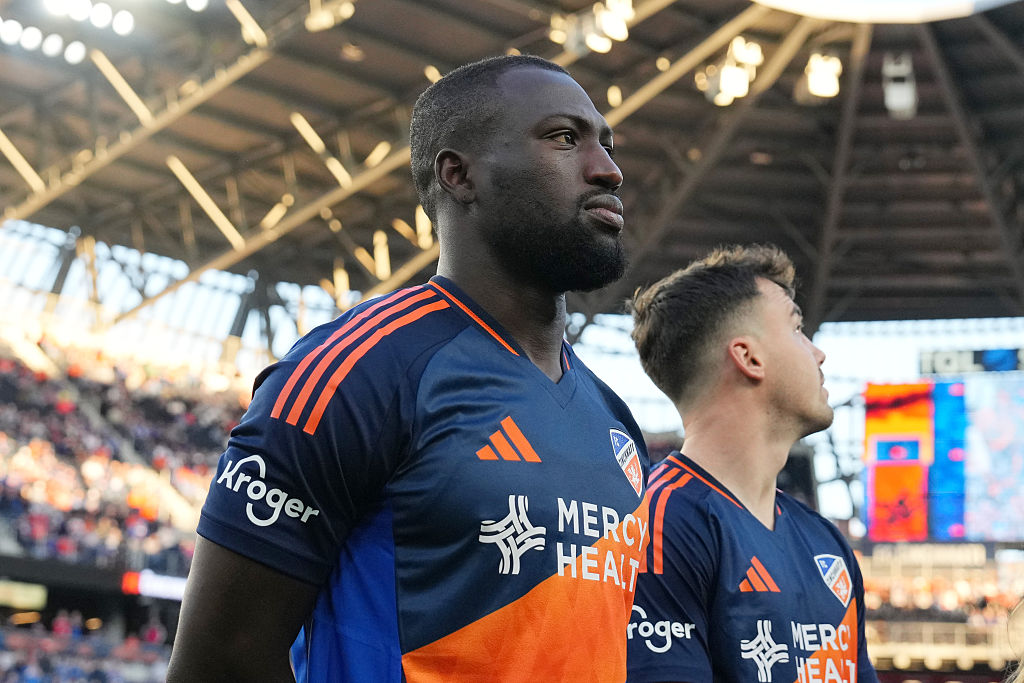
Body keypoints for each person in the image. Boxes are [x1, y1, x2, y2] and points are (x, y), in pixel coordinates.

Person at [167, 54, 650, 682]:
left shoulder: (617, 424)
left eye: (607, 146)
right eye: (564, 138)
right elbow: (218, 665)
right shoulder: (354, 372)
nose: (608, 170)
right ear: (459, 175)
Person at [625, 244, 877, 682]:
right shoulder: (660, 524)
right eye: (798, 328)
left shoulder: (825, 543)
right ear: (748, 358)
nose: (819, 354)